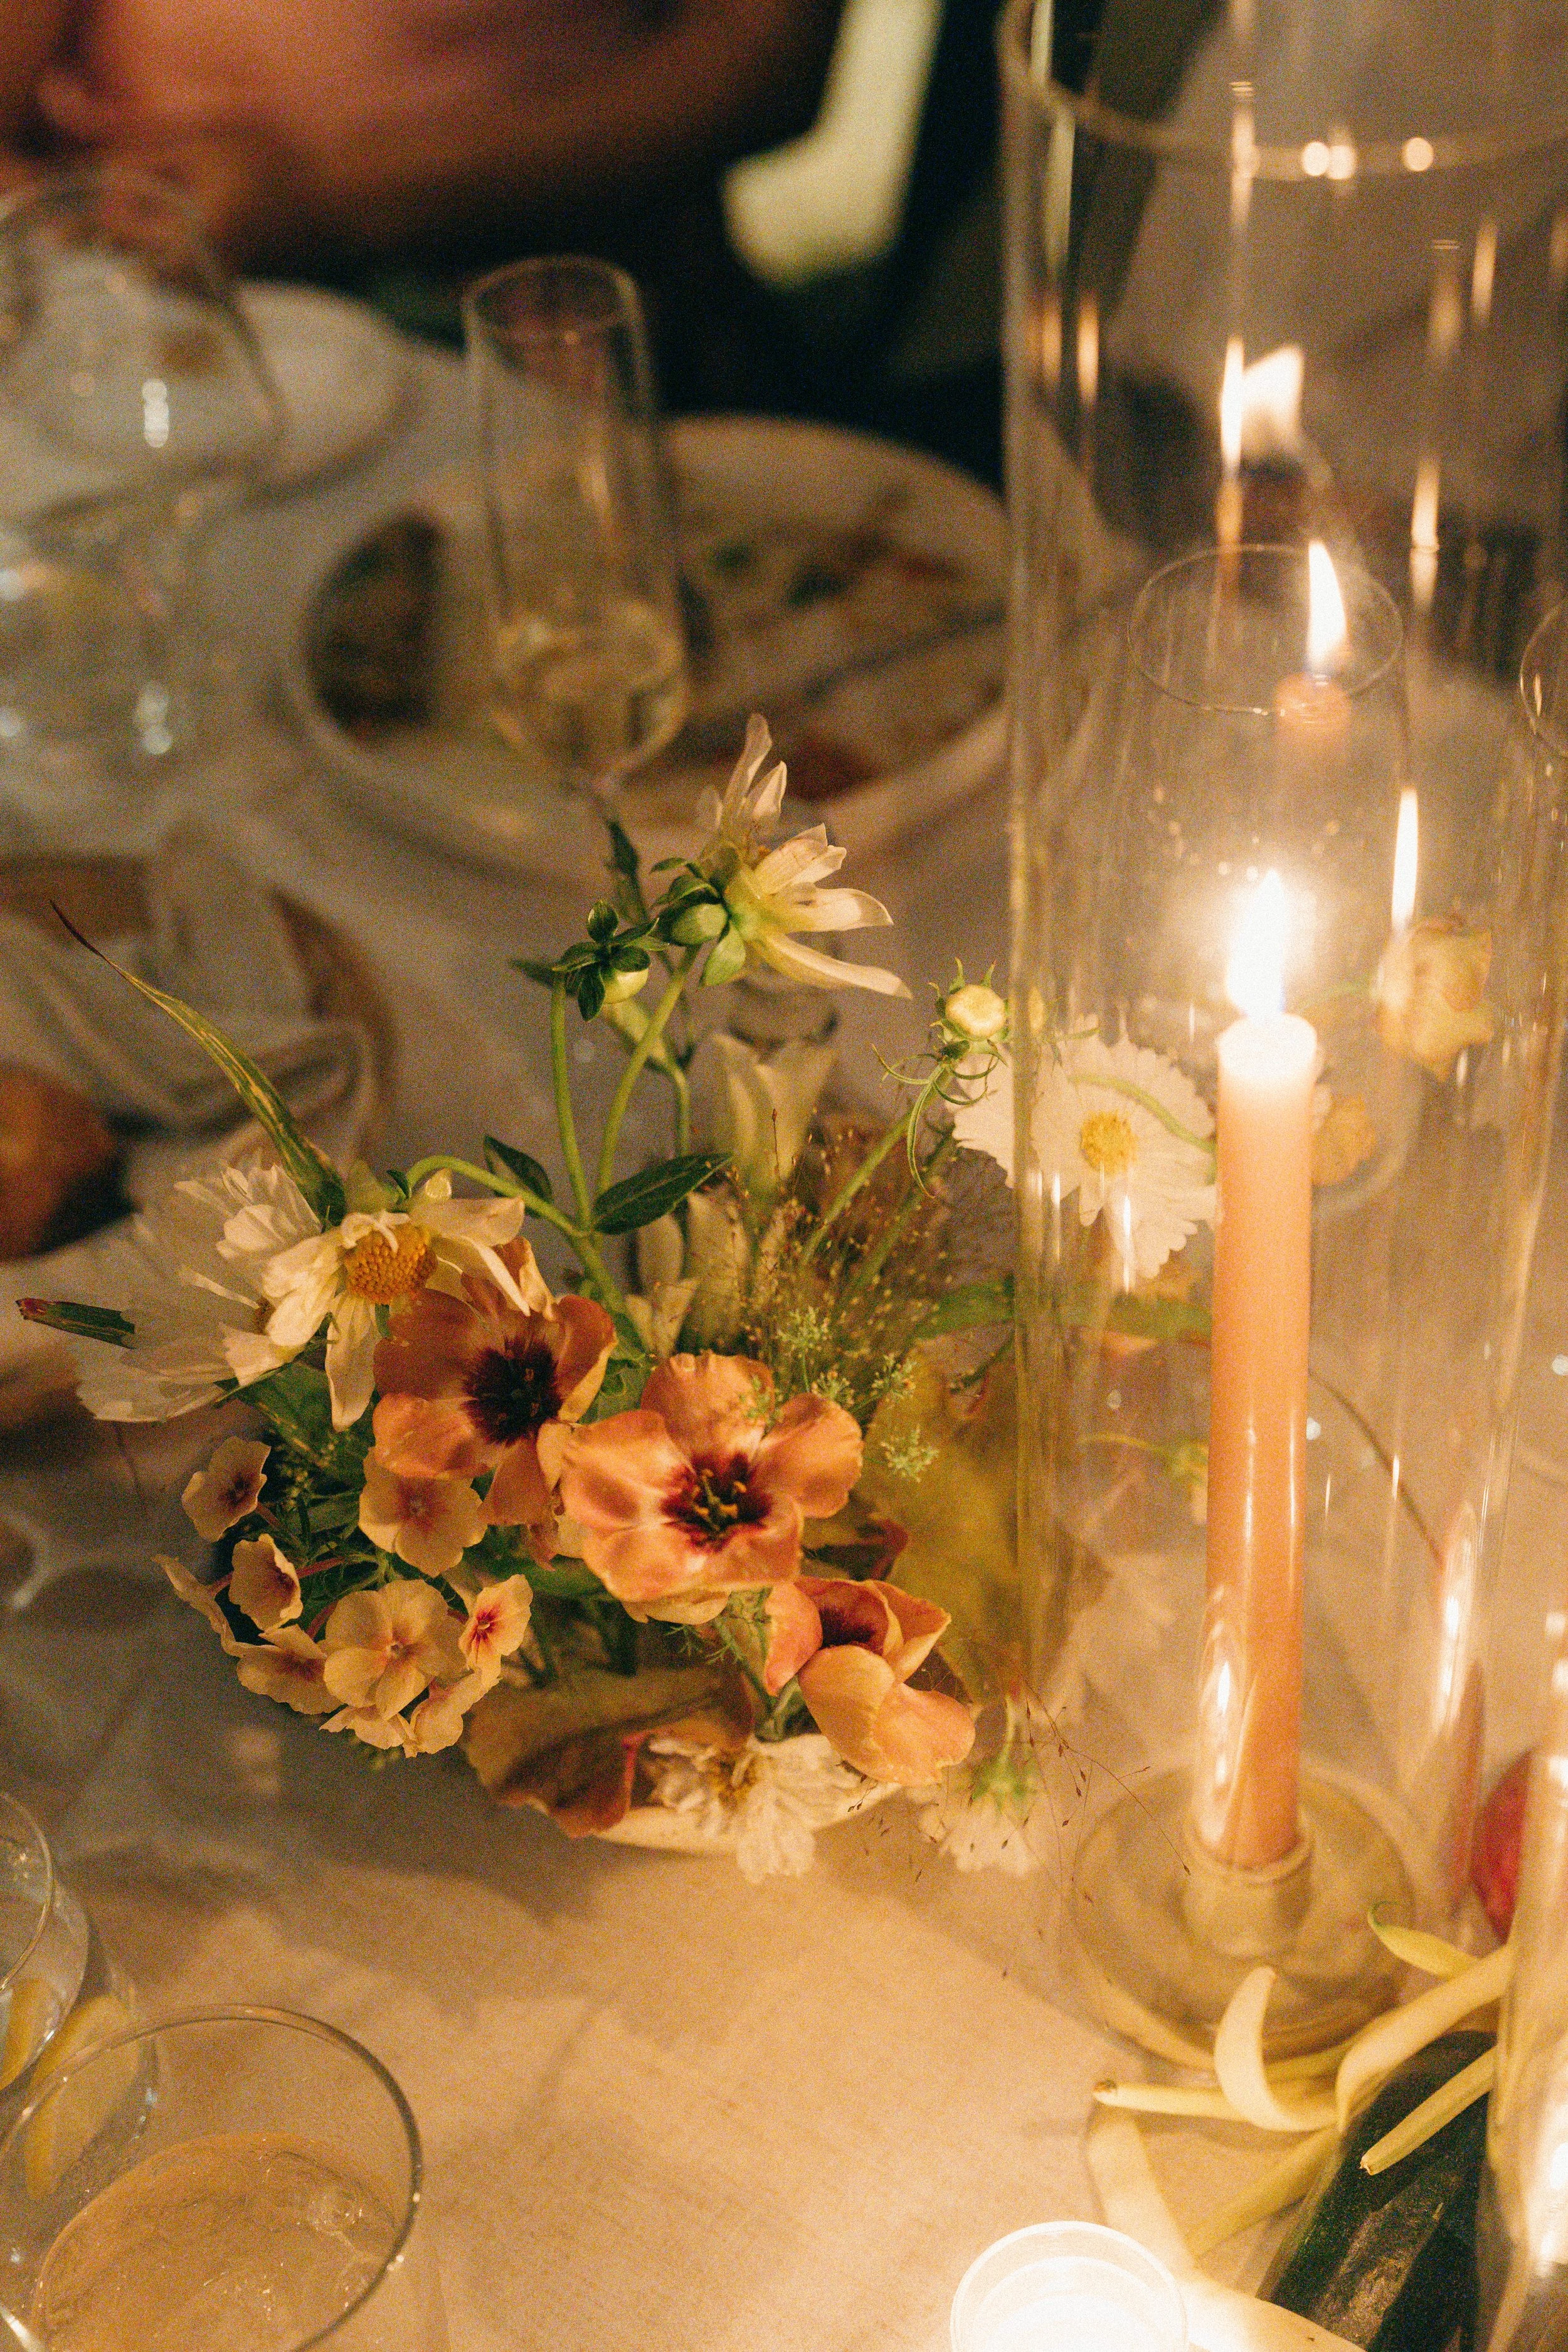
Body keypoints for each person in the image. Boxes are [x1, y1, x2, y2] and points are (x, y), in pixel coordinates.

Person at [0, 0, 845, 401]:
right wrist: (65, 220)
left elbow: (768, 62)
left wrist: (327, 194)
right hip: (134, 307)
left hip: (565, 291)